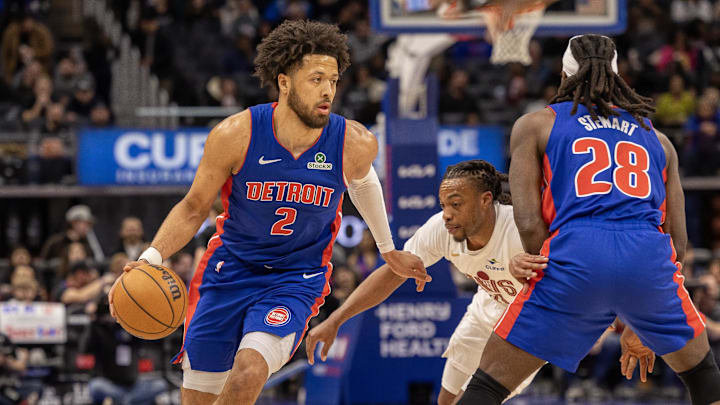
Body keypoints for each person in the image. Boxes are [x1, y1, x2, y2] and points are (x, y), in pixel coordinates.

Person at [108, 20, 429, 405]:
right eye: (316, 79)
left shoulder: (353, 142)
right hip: (229, 271)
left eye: (333, 80)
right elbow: (194, 208)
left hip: (297, 278)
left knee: (249, 371)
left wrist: (388, 247)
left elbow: (362, 182)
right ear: (285, 82)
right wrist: (148, 259)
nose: (328, 90)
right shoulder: (235, 135)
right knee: (198, 399)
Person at [457, 34, 720, 405]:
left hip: (576, 249)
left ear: (564, 77)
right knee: (703, 375)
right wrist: (638, 316)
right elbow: (677, 242)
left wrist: (553, 274)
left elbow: (529, 222)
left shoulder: (536, 125)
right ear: (618, 79)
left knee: (487, 385)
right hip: (646, 255)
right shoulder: (659, 140)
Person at [306, 160, 651, 405]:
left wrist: (631, 326)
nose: (447, 213)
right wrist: (336, 320)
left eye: (456, 204)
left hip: (535, 320)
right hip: (488, 306)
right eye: (443, 204)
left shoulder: (523, 227)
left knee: (483, 395)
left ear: (487, 200)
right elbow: (392, 273)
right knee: (447, 396)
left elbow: (600, 270)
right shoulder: (442, 229)